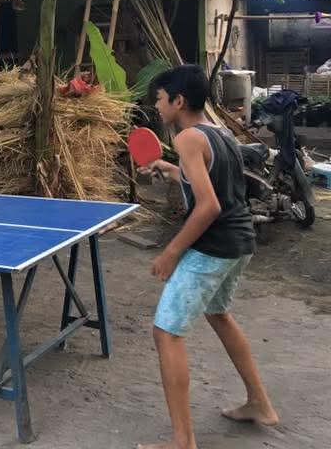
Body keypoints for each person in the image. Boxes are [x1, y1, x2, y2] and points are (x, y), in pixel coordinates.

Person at [136, 65, 278, 449]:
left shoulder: (187, 139)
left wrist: (171, 251)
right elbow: (214, 180)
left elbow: (209, 206)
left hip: (213, 248)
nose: (157, 106)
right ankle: (259, 404)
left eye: (160, 99)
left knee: (166, 332)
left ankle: (183, 442)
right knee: (219, 315)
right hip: (240, 243)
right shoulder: (218, 132)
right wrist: (170, 169)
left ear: (178, 101)